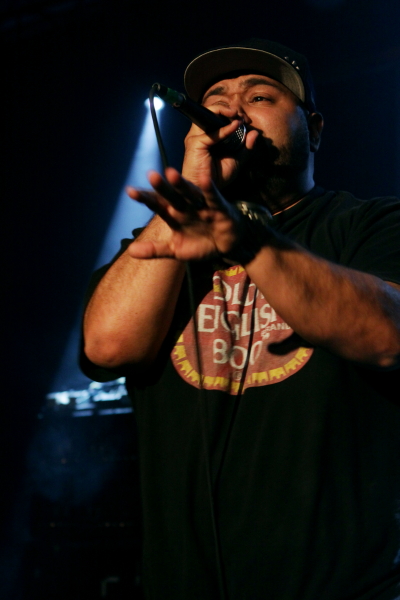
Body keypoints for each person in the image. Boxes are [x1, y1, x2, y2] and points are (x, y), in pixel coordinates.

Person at [81, 39, 400, 600]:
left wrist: (246, 239)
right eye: (216, 101)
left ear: (314, 130)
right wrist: (194, 190)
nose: (233, 111)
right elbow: (109, 346)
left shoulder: (370, 224)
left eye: (260, 97)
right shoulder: (162, 245)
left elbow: (386, 335)